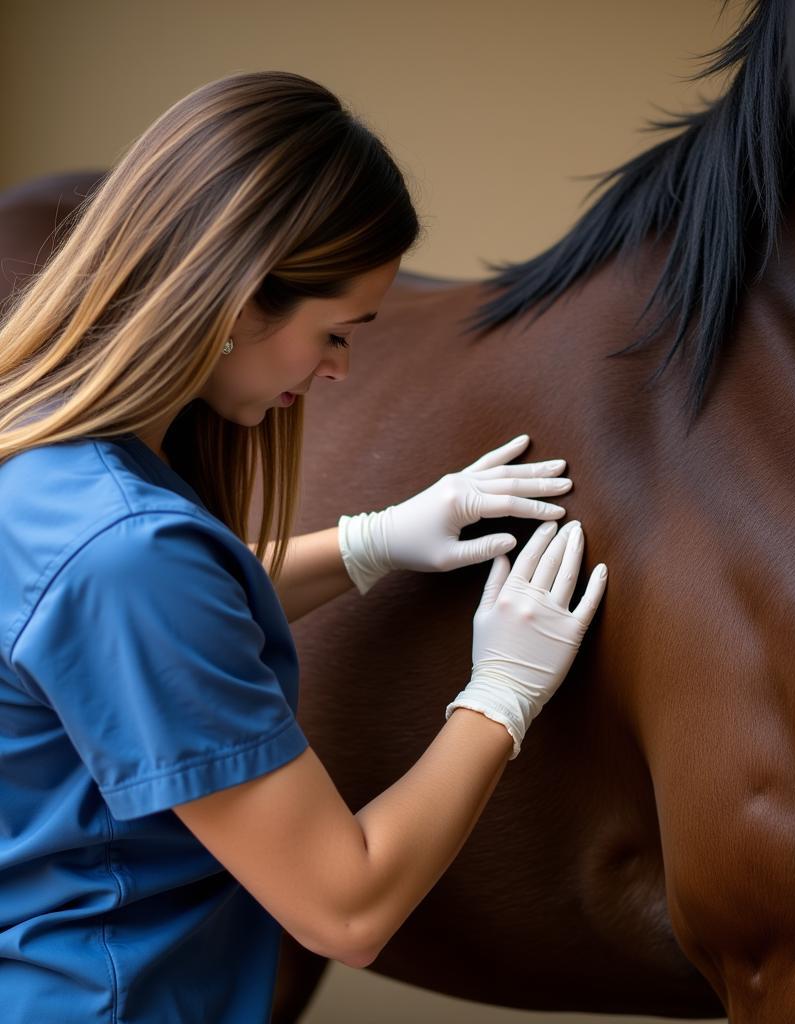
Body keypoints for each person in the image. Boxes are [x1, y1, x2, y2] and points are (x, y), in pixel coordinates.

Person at [0, 71, 607, 1022]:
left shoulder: (41, 467)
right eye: (335, 332)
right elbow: (346, 905)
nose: (338, 366)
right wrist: (502, 695)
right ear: (240, 303)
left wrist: (373, 543)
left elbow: (137, 646)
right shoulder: (127, 553)